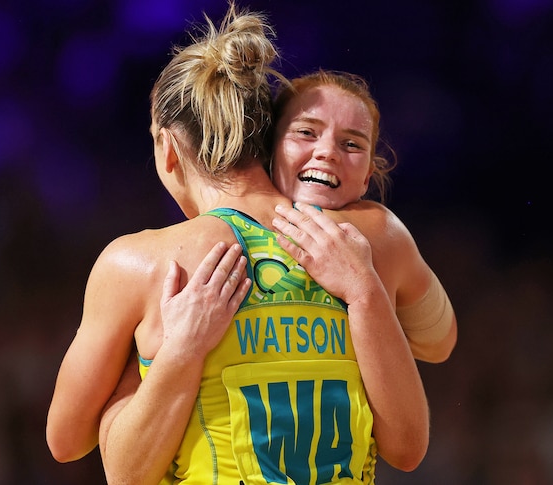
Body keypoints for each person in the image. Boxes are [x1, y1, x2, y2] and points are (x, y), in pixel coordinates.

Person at [46, 4, 430, 484]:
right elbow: (412, 434)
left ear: (168, 151)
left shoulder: (138, 263)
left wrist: (160, 360)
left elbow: (65, 441)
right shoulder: (366, 238)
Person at [269, 70, 457, 363]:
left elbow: (439, 343)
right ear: (269, 149)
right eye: (306, 132)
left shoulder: (383, 233)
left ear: (366, 178)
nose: (328, 152)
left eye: (351, 144)